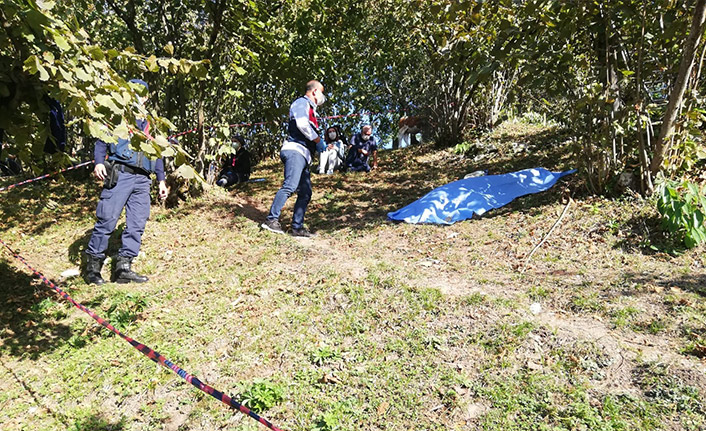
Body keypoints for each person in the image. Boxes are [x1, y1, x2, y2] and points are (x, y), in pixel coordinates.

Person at [84, 79, 168, 285]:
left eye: (140, 92)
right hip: (120, 174)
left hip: (143, 180)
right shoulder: (116, 117)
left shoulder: (152, 124)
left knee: (137, 223)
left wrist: (161, 180)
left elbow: (158, 155)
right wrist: (98, 162)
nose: (135, 96)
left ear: (146, 97)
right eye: (131, 92)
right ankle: (93, 268)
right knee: (107, 219)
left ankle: (123, 267)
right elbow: (101, 141)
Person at [261, 80, 326, 237]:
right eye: (322, 92)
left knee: (305, 192)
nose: (323, 97)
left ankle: (297, 227)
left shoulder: (311, 109)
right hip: (295, 151)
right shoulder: (300, 102)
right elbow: (303, 125)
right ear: (315, 91)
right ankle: (271, 220)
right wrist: (318, 140)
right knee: (290, 185)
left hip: (304, 155)